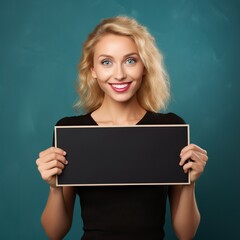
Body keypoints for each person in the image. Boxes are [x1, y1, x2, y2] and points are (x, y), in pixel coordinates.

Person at [36, 16, 208, 240]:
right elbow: (54, 232)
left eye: (130, 60)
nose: (119, 74)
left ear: (144, 66)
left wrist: (189, 183)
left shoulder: (169, 128)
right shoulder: (71, 131)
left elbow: (186, 233)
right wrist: (54, 187)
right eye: (106, 62)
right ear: (93, 70)